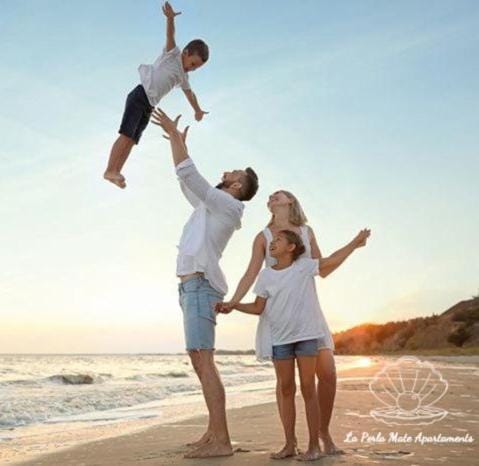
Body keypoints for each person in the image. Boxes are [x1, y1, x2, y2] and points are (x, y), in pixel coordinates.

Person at [218, 190, 370, 456]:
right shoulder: (263, 237)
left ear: (290, 202)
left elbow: (323, 267)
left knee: (328, 374)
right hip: (280, 319)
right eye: (271, 196)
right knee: (286, 384)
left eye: (279, 195)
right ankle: (291, 441)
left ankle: (322, 434)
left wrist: (351, 247)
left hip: (309, 315)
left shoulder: (306, 232)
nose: (272, 197)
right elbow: (251, 273)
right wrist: (233, 301)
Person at [150, 107, 259, 458]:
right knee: (199, 360)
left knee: (204, 360)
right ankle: (212, 432)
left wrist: (178, 139)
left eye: (234, 172)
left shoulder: (229, 205)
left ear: (236, 185)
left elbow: (191, 175)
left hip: (200, 286)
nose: (227, 171)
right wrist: (176, 142)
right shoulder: (209, 206)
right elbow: (185, 179)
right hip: (190, 287)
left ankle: (222, 441)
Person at [104, 2, 209, 189]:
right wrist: (169, 19)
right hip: (140, 95)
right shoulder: (173, 55)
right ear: (185, 53)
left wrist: (198, 110)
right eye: (193, 64)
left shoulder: (184, 77)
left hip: (149, 105)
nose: (192, 69)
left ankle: (116, 171)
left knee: (133, 139)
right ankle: (110, 169)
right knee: (126, 134)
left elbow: (190, 94)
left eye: (197, 68)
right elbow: (171, 35)